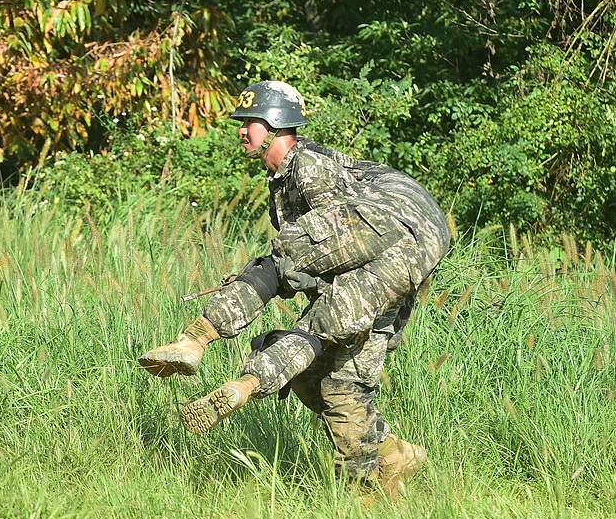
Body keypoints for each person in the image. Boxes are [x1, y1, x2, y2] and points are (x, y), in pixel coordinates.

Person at [138, 81, 450, 494]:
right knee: (306, 378)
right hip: (378, 259)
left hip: (393, 260)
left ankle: (368, 493)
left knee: (343, 387)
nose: (242, 131)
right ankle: (395, 456)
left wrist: (329, 308)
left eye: (249, 122)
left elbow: (341, 243)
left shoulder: (310, 169)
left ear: (274, 124)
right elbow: (315, 260)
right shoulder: (283, 178)